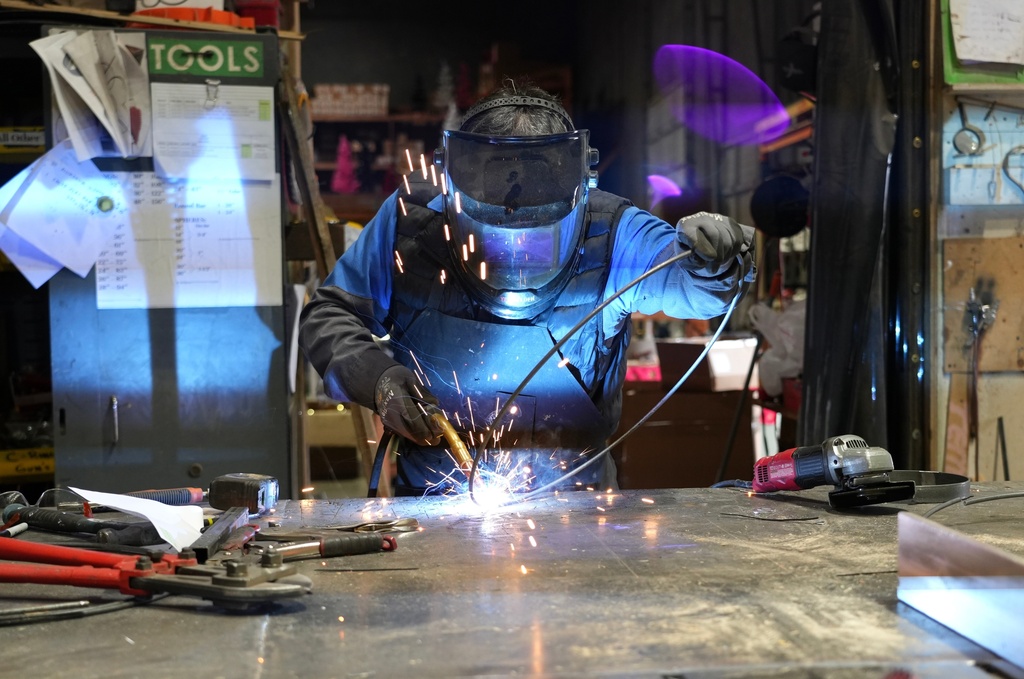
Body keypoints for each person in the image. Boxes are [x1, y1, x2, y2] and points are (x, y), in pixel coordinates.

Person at [300, 82, 755, 496]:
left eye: (536, 239)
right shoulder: (410, 226)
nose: (516, 256)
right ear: (455, 200)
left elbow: (690, 288)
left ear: (577, 195)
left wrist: (707, 260)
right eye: (494, 239)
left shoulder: (612, 231)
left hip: (578, 508)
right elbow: (329, 315)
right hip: (431, 503)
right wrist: (379, 381)